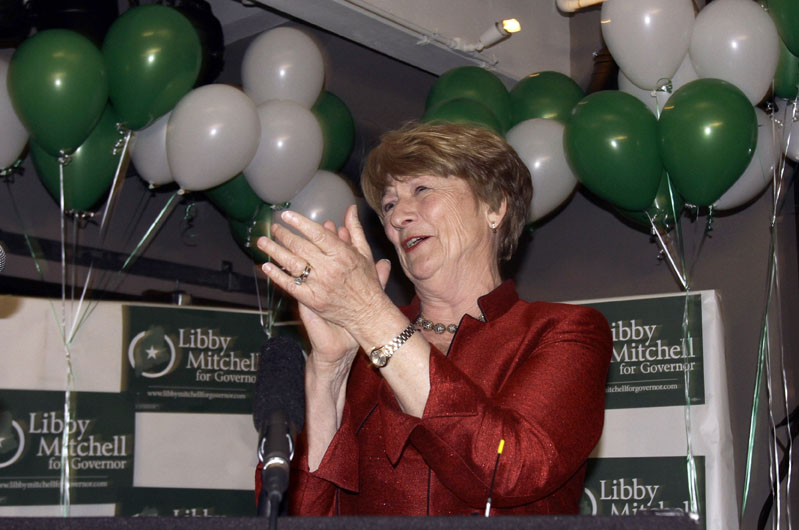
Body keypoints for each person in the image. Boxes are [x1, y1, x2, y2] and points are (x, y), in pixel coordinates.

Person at [255, 121, 612, 516]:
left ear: (493, 206)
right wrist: (330, 371)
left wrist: (370, 313)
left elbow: (512, 470)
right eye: (388, 204)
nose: (397, 217)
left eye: (421, 190)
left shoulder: (564, 331)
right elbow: (297, 515)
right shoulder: (357, 351)